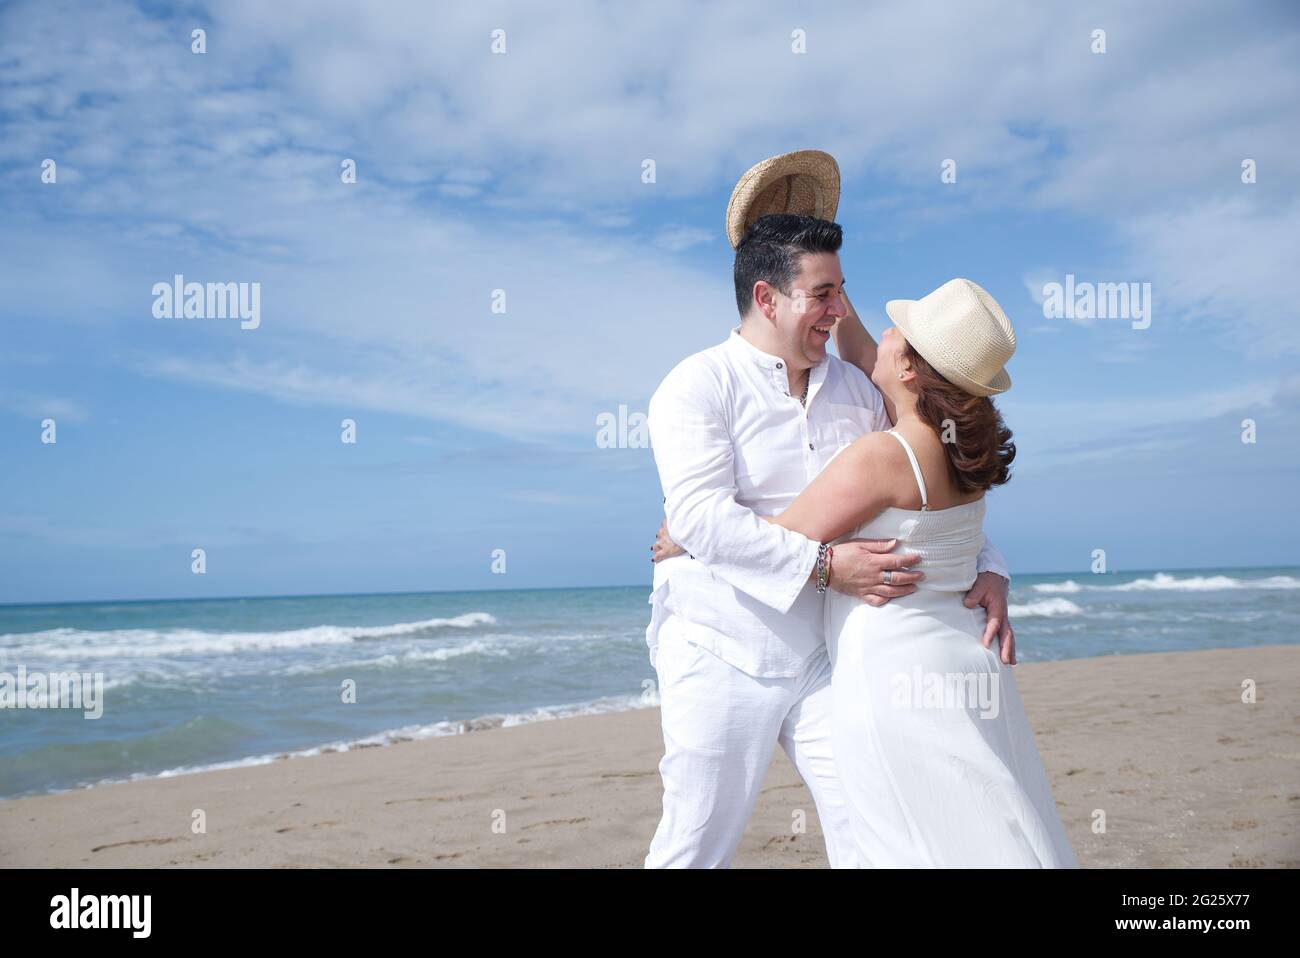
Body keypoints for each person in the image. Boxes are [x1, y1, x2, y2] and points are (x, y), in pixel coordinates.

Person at [642, 150, 1013, 867]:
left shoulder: (859, 389)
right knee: (695, 843)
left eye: (842, 290)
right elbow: (700, 517)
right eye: (824, 294)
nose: (840, 310)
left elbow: (926, 479)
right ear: (768, 297)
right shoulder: (695, 386)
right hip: (721, 647)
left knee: (869, 828)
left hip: (826, 656)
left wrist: (989, 565)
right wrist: (822, 564)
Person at [753, 277, 1079, 866]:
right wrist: (829, 271)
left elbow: (774, 541)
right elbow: (859, 349)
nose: (881, 330)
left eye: (896, 331)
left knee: (909, 841)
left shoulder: (884, 456)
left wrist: (691, 532)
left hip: (893, 678)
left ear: (908, 369)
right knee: (984, 823)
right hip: (962, 661)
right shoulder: (961, 453)